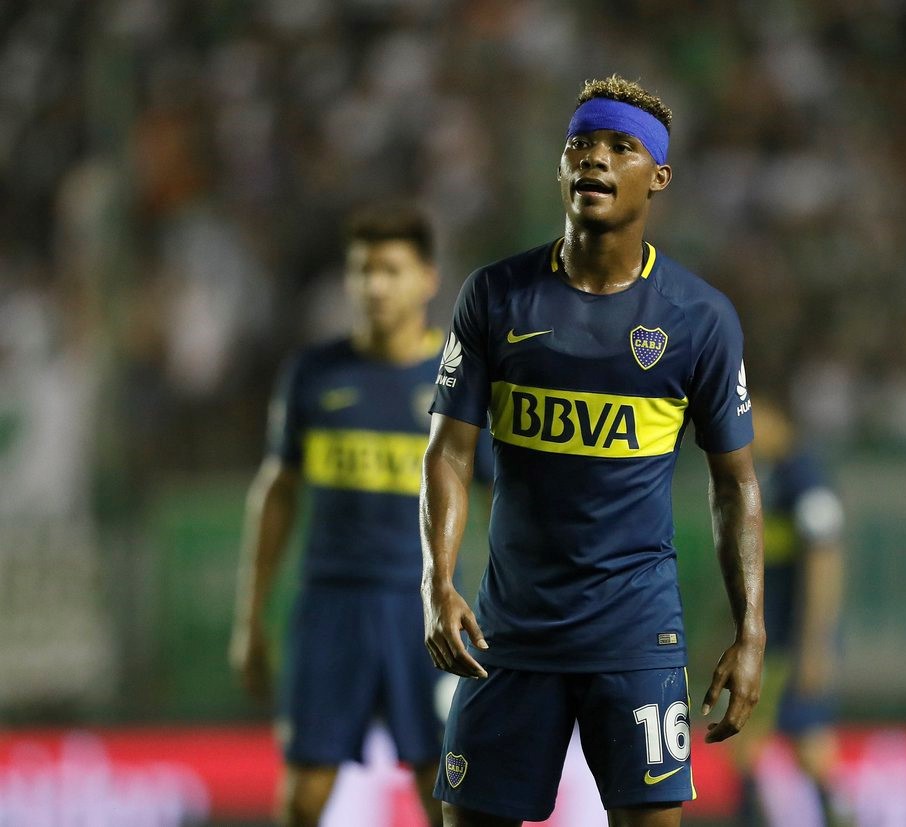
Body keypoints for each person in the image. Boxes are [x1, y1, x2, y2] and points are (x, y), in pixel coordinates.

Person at [420, 75, 765, 827]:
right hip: (510, 634)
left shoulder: (699, 319)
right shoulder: (495, 296)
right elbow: (447, 453)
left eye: (620, 146)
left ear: (659, 177)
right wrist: (437, 581)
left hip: (635, 635)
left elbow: (735, 483)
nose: (594, 158)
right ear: (560, 166)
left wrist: (751, 632)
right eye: (580, 143)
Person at [229, 202, 491, 827]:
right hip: (330, 608)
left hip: (422, 610)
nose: (375, 286)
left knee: (445, 790)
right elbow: (277, 492)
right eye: (363, 270)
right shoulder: (313, 376)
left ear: (427, 279)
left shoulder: (459, 382)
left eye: (391, 270)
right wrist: (251, 617)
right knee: (304, 795)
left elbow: (501, 498)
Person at [736, 396, 850, 827]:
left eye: (753, 418)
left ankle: (837, 814)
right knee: (744, 738)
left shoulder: (807, 481)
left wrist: (815, 644)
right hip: (773, 636)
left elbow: (825, 563)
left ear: (777, 416)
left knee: (809, 744)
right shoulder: (772, 477)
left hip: (797, 637)